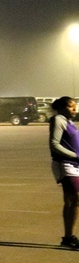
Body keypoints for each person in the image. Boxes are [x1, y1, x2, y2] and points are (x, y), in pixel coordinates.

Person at [48, 96, 79, 249]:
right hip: (65, 164)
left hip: (74, 164)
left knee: (71, 201)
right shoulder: (58, 120)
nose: (74, 109)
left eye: (75, 106)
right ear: (61, 108)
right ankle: (68, 237)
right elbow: (54, 144)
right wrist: (75, 155)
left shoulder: (70, 122)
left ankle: (68, 237)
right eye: (71, 106)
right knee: (75, 199)